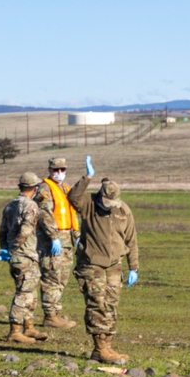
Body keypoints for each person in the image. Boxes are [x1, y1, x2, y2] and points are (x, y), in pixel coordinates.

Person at [68, 155, 139, 364]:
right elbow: (72, 197)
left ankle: (107, 345)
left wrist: (133, 267)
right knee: (96, 305)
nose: (109, 207)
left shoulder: (123, 210)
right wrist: (87, 177)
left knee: (111, 304)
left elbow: (131, 240)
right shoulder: (88, 203)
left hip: (114, 266)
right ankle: (99, 348)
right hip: (92, 265)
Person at [0, 172, 62, 343]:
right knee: (23, 293)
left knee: (31, 294)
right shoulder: (31, 206)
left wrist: (5, 248)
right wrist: (14, 249)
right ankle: (15, 331)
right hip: (25, 255)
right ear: (34, 188)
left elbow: (2, 231)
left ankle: (29, 327)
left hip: (18, 256)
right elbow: (25, 231)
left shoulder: (10, 205)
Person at [35, 157, 81, 329]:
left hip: (67, 240)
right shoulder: (45, 188)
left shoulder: (65, 188)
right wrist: (53, 236)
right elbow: (44, 213)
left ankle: (56, 312)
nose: (59, 173)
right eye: (55, 170)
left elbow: (72, 214)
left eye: (62, 170)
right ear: (49, 170)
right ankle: (50, 315)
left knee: (62, 277)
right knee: (51, 277)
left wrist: (77, 234)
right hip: (51, 241)